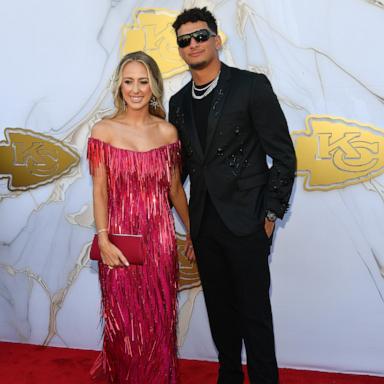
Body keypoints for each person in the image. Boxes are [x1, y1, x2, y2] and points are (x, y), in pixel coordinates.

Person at [168, 7, 296, 384]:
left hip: (248, 221)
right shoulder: (178, 103)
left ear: (216, 40)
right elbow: (185, 171)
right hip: (205, 225)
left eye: (200, 36)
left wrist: (270, 216)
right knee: (220, 313)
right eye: (185, 40)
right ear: (180, 50)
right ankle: (228, 377)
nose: (193, 44)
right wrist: (187, 226)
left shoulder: (250, 86)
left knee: (254, 314)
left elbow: (284, 156)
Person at [87, 51, 194, 383]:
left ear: (154, 87)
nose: (135, 89)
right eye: (129, 81)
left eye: (143, 81)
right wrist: (103, 237)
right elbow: (100, 189)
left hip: (159, 242)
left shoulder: (167, 133)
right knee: (122, 323)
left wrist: (193, 232)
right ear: (119, 86)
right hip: (119, 244)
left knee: (159, 323)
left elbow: (175, 190)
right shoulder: (103, 130)